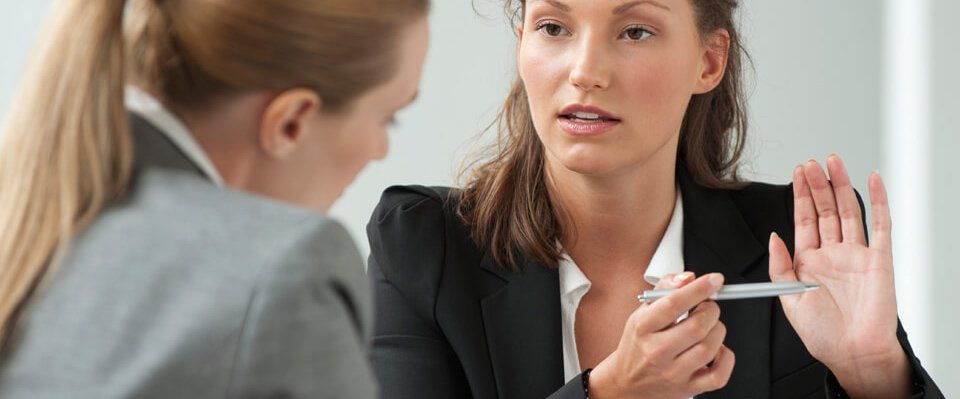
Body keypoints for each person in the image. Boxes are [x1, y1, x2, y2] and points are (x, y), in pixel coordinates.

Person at [366, 0, 943, 397]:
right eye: (553, 27)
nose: (585, 70)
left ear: (708, 61)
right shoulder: (425, 245)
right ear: (521, 42)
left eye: (635, 31)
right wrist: (610, 393)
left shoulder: (794, 250)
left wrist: (873, 375)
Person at [0, 0, 428, 397]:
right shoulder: (285, 272)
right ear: (291, 122)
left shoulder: (31, 213)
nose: (381, 150)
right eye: (389, 117)